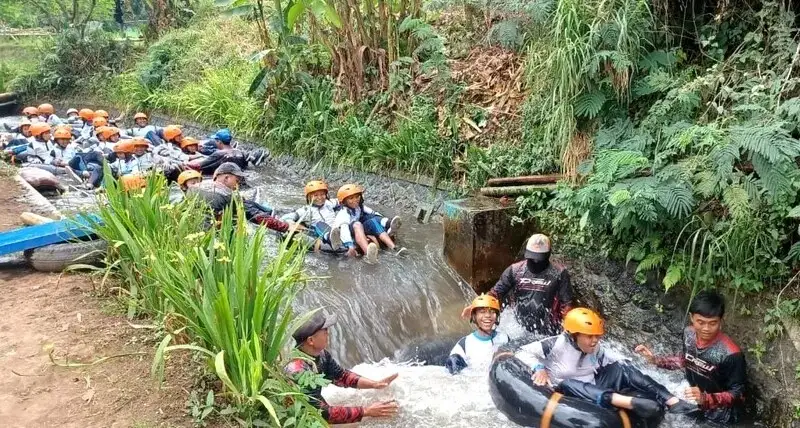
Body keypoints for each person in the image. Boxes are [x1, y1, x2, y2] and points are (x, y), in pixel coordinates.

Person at [518, 308, 699, 418]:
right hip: (569, 392)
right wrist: (539, 368)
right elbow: (522, 352)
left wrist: (633, 363)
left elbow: (614, 359)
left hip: (595, 385)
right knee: (568, 383)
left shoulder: (595, 347)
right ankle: (627, 402)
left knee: (623, 367)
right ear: (574, 335)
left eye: (597, 336)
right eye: (589, 336)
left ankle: (672, 401)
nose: (595, 341)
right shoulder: (554, 344)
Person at [635, 290, 746, 425]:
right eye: (700, 322)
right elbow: (686, 360)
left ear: (721, 321)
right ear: (691, 317)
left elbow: (739, 394)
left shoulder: (731, 354)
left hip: (720, 415)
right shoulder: (689, 334)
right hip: (694, 399)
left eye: (712, 323)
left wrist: (706, 399)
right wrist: (656, 360)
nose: (706, 328)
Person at [284, 311, 399, 424]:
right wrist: (366, 411)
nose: (328, 334)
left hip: (314, 407)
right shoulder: (298, 371)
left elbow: (341, 376)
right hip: (297, 418)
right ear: (311, 340)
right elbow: (322, 413)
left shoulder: (321, 355)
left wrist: (375, 384)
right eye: (325, 332)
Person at [462, 233, 572, 335]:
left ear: (548, 255)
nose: (535, 261)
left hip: (548, 331)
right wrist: (477, 306)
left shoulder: (559, 273)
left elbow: (566, 304)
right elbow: (496, 293)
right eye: (532, 257)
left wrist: (568, 326)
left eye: (539, 258)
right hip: (519, 328)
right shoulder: (515, 270)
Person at [188, 162, 291, 232]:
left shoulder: (195, 186)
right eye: (237, 181)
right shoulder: (228, 195)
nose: (237, 185)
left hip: (189, 230)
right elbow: (257, 217)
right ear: (226, 177)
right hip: (210, 235)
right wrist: (286, 227)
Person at [333, 183, 402, 263]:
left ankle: (394, 247)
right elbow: (344, 228)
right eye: (351, 198)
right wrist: (350, 245)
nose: (355, 200)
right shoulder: (344, 212)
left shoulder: (359, 207)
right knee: (357, 224)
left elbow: (374, 213)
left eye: (357, 197)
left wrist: (384, 222)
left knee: (372, 220)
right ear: (344, 201)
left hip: (359, 228)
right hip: (347, 231)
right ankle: (368, 254)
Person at [446, 294, 510, 374]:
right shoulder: (464, 344)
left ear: (497, 316)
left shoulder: (504, 338)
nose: (487, 316)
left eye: (492, 312)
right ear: (474, 316)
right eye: (482, 312)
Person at [280, 180, 343, 251]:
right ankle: (330, 238)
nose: (320, 197)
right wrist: (292, 223)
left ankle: (339, 236)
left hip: (336, 229)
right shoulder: (306, 210)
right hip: (321, 234)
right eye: (315, 195)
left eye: (322, 194)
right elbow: (285, 218)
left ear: (326, 195)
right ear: (308, 197)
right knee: (320, 224)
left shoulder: (329, 203)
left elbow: (342, 200)